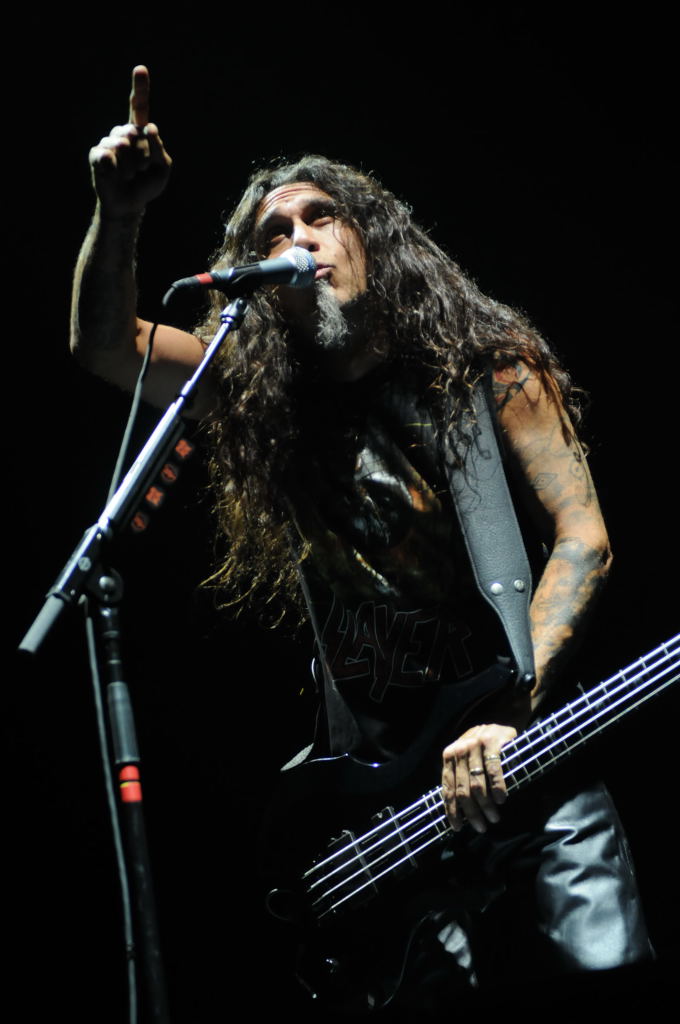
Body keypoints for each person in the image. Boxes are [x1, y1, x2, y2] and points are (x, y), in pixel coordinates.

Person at [71, 66, 651, 1009]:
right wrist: (120, 212)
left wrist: (511, 711)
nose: (297, 240)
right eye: (273, 233)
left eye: (320, 218)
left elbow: (585, 539)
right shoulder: (262, 397)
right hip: (386, 813)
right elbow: (107, 345)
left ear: (371, 237)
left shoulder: (486, 367)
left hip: (529, 759)